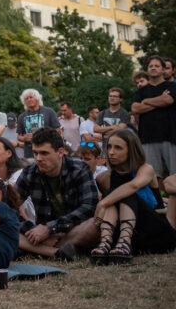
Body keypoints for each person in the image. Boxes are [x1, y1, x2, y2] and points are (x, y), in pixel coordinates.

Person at [89, 129, 176, 264]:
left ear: (131, 150)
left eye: (118, 148)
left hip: (156, 232)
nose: (111, 152)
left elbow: (133, 186)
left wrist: (102, 203)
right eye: (109, 147)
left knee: (124, 194)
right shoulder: (104, 178)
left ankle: (123, 242)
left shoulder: (146, 169)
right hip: (135, 235)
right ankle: (106, 242)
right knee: (113, 194)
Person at [13, 128, 98, 260]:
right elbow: (8, 207)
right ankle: (57, 252)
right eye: (35, 153)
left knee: (94, 224)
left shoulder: (79, 168)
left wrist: (50, 228)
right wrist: (30, 229)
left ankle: (40, 249)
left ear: (60, 152)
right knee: (5, 226)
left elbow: (89, 206)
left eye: (44, 153)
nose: (38, 158)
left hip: (72, 229)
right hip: (41, 233)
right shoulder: (29, 173)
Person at [131, 56, 176, 194]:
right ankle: (160, 202)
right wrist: (160, 100)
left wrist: (146, 102)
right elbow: (135, 108)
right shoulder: (141, 91)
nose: (153, 68)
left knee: (174, 175)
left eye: (157, 66)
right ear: (147, 69)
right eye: (151, 66)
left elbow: (168, 100)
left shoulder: (172, 86)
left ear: (163, 69)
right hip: (148, 138)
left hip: (171, 137)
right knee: (153, 176)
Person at [17, 89, 61, 161]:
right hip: (29, 153)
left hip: (47, 150)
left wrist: (46, 136)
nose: (29, 100)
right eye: (26, 99)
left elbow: (58, 131)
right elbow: (19, 136)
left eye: (31, 97)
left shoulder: (49, 112)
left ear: (37, 98)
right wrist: (24, 138)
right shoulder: (22, 116)